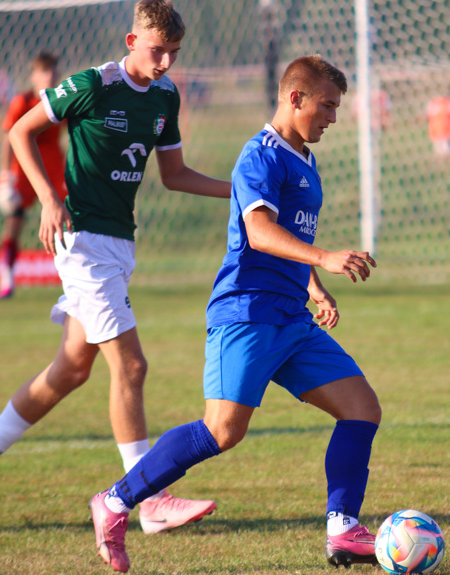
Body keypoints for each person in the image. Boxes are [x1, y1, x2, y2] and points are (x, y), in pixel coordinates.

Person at [86, 55, 380, 573]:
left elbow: (293, 237)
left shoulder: (305, 159)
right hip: (246, 314)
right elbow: (261, 234)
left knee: (361, 408)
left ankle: (343, 528)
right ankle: (114, 502)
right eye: (327, 105)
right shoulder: (259, 155)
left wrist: (313, 286)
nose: (333, 116)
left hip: (290, 317)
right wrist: (326, 260)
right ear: (295, 98)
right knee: (222, 431)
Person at [0, 0, 231, 534]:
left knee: (72, 368)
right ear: (130, 42)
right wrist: (49, 197)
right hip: (80, 242)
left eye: (173, 52)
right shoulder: (93, 85)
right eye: (156, 51)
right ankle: (146, 499)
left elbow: (174, 175)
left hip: (119, 245)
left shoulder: (166, 96)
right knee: (131, 366)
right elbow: (20, 133)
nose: (165, 62)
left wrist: (239, 191)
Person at [0, 51, 67, 299]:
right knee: (15, 220)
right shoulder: (22, 102)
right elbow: (8, 139)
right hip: (25, 169)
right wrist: (5, 177)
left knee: (65, 219)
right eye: (46, 71)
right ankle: (7, 273)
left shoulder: (60, 100)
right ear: (34, 76)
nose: (51, 76)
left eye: (54, 71)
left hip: (54, 168)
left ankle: (70, 276)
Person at [426, 93, 450, 158]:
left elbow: (428, 116)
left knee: (439, 152)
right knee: (448, 153)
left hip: (435, 130)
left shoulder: (434, 102)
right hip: (446, 131)